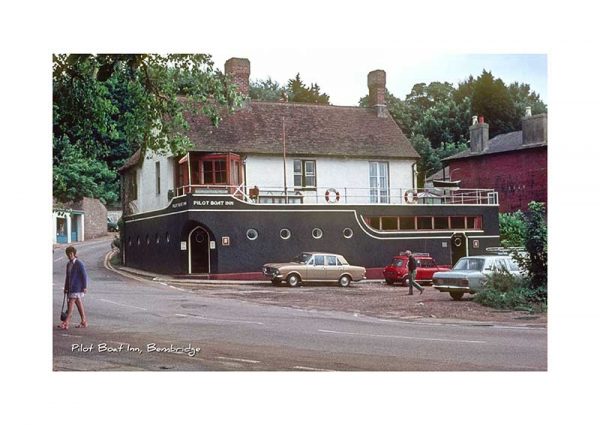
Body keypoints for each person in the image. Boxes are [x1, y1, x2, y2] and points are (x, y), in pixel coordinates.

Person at [58, 246, 88, 329]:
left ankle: (66, 322)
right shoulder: (68, 264)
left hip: (77, 288)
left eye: (71, 253)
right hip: (71, 288)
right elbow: (67, 277)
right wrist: (65, 287)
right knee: (78, 304)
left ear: (74, 254)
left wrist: (85, 287)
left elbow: (84, 276)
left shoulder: (79, 263)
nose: (70, 255)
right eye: (68, 254)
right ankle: (84, 321)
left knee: (70, 304)